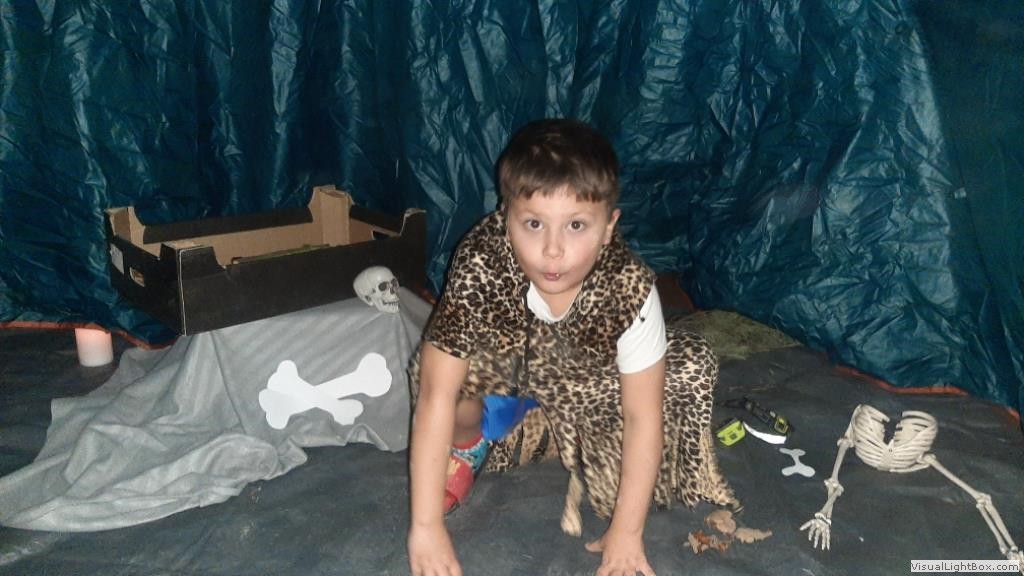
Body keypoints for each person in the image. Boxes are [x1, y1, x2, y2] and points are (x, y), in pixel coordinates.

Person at [407, 119, 737, 576]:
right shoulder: (481, 260)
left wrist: (627, 533)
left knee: (689, 368)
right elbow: (435, 395)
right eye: (533, 224)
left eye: (577, 225)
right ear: (505, 219)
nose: (553, 250)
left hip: (586, 380)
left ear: (608, 227)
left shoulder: (627, 287)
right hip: (509, 367)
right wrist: (425, 527)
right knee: (442, 378)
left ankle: (558, 432)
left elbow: (643, 416)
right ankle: (476, 442)